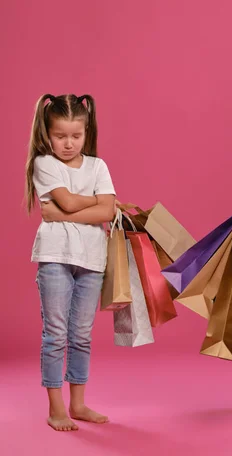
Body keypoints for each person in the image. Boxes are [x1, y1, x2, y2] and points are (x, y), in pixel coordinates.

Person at [25, 94, 116, 431]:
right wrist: (98, 202)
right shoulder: (44, 163)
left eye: (75, 136)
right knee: (55, 333)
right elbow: (72, 200)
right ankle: (56, 408)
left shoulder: (98, 166)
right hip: (55, 257)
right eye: (60, 136)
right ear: (48, 134)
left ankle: (78, 404)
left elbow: (107, 212)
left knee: (81, 335)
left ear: (86, 130)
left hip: (92, 259)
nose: (67, 143)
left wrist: (65, 212)